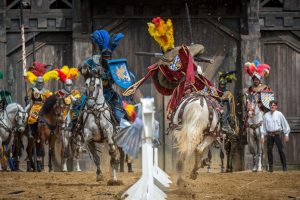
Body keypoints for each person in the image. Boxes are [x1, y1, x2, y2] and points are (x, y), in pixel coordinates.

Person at [261, 100, 290, 172]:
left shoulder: (279, 114)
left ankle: (284, 167)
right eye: (271, 105)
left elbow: (285, 124)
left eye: (274, 105)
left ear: (276, 106)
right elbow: (263, 127)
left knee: (281, 150)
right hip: (269, 135)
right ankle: (271, 168)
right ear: (269, 106)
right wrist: (262, 136)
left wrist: (286, 134)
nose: (272, 106)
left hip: (277, 134)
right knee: (269, 151)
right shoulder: (266, 115)